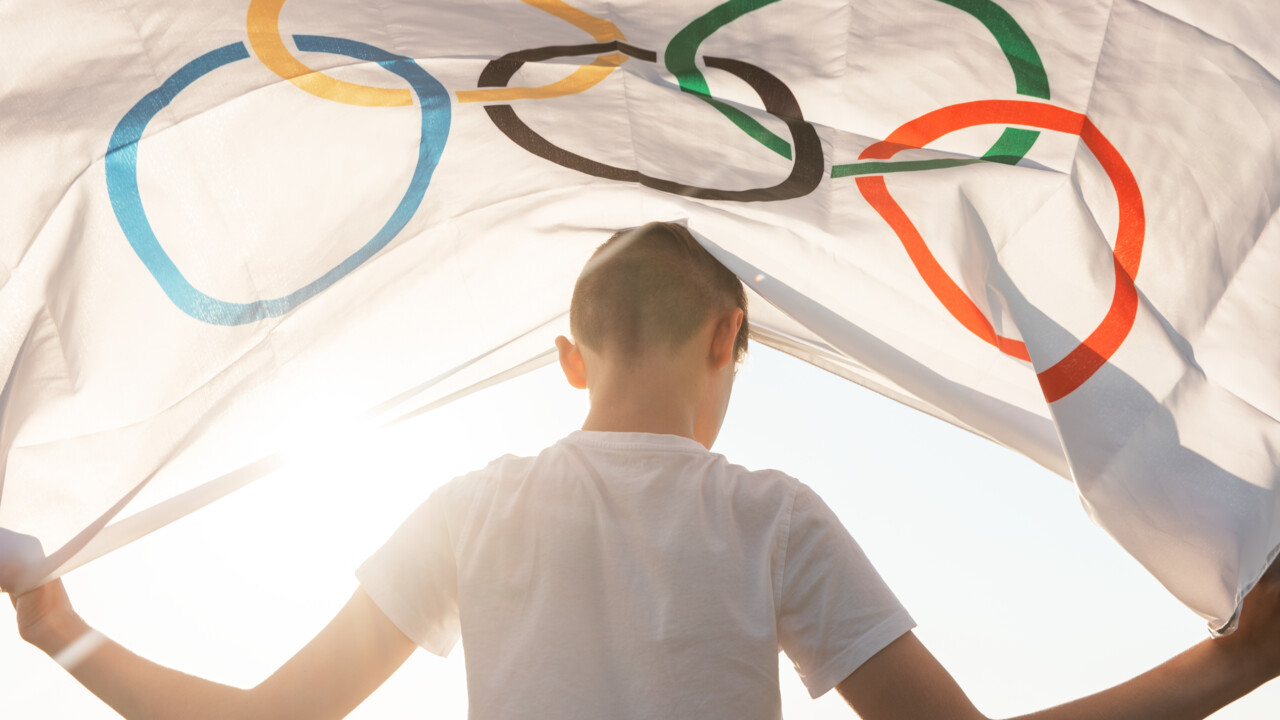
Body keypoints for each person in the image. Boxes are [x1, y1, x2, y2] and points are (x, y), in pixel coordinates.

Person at [10, 221, 1280, 719]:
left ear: (569, 358)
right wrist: (1233, 659)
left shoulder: (469, 511)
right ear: (731, 340)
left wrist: (59, 628)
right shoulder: (770, 515)